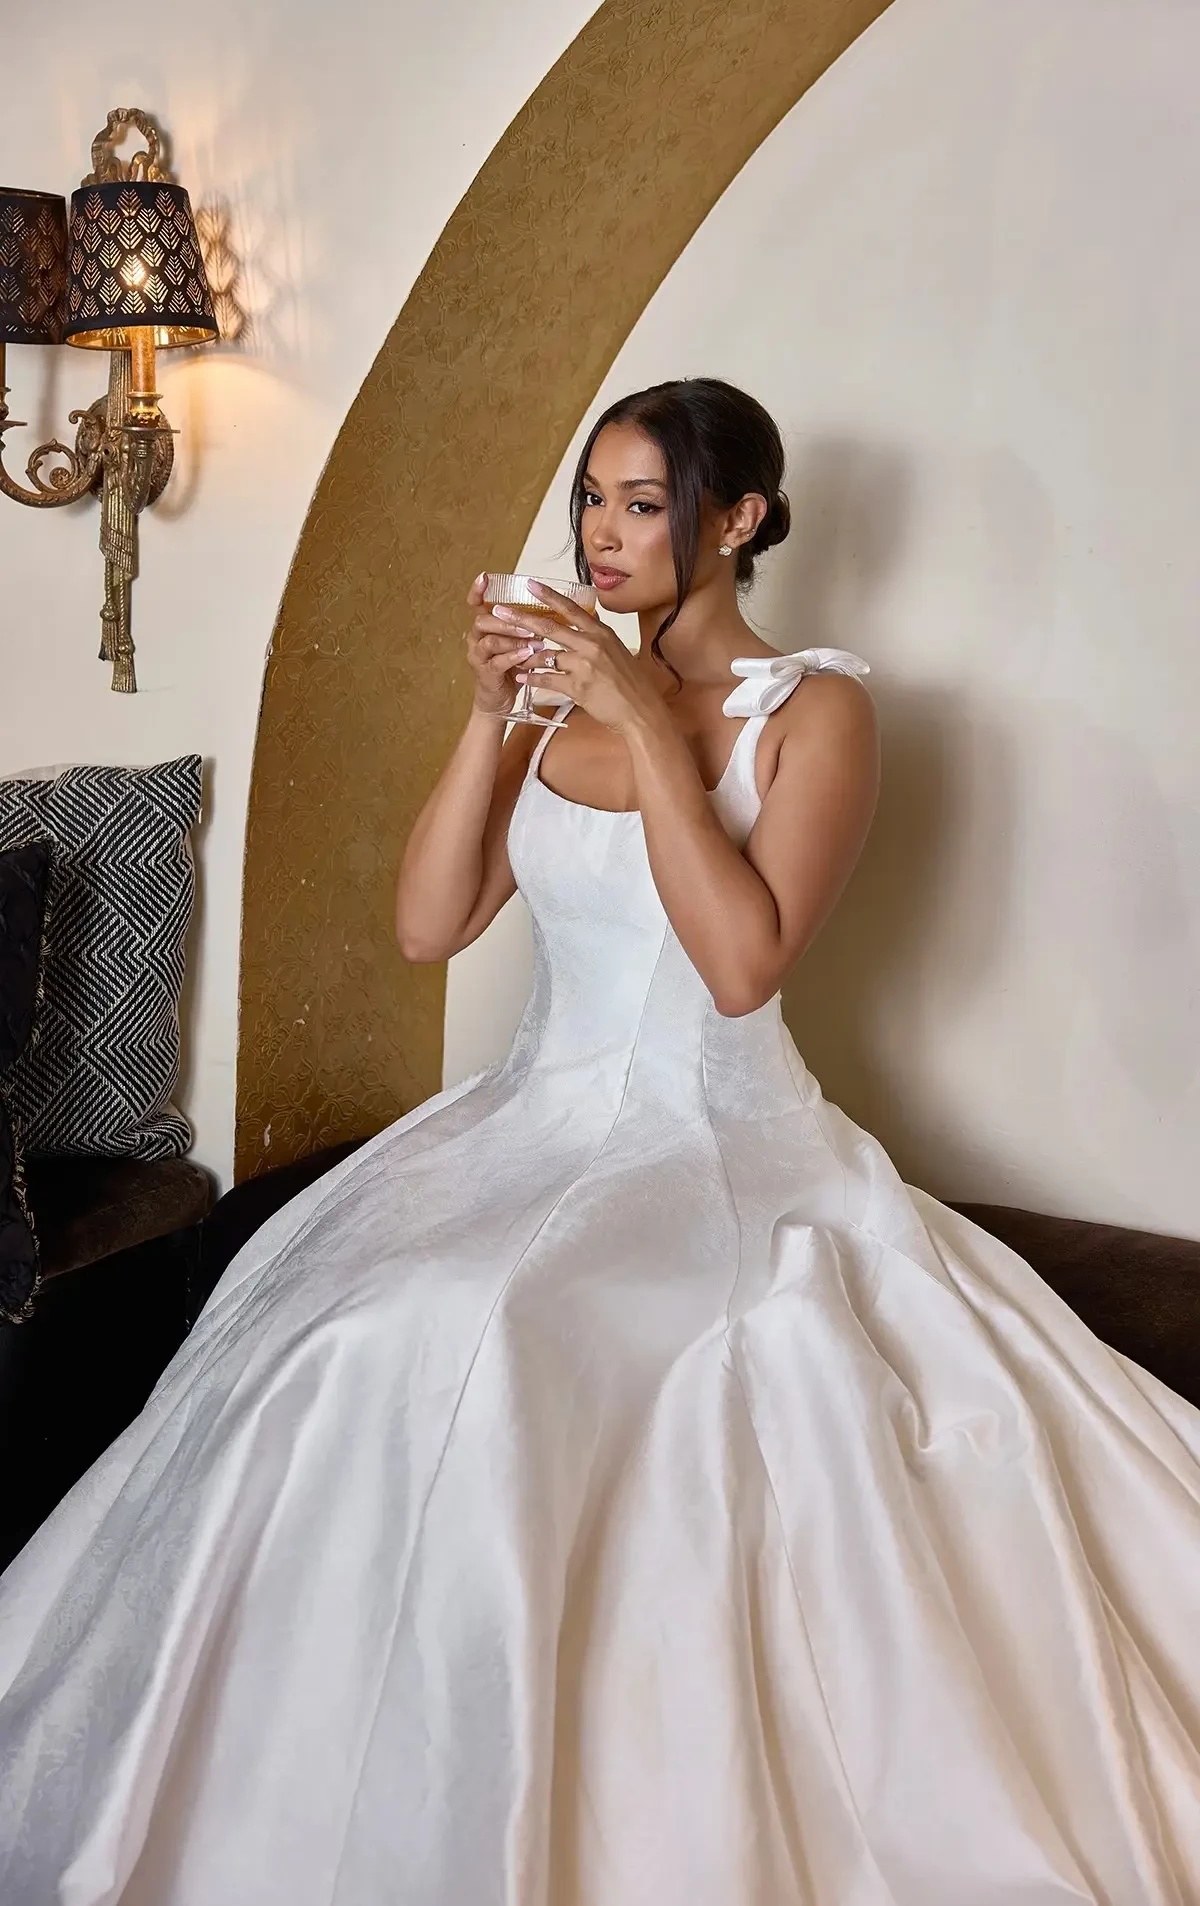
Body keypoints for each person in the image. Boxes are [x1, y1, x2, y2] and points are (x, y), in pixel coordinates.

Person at [1, 377, 1197, 1906]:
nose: (605, 534)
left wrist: (641, 707)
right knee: (332, 1315)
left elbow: (742, 960)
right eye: (594, 500)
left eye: (645, 504)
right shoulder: (557, 695)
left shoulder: (817, 711)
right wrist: (492, 708)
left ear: (740, 520)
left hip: (713, 1135)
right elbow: (434, 921)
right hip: (525, 1118)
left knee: (486, 1326)